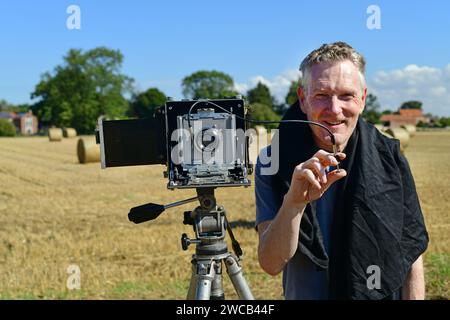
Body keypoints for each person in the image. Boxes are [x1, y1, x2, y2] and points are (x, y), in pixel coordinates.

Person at [255, 42, 429, 300]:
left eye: (346, 95)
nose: (334, 109)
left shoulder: (390, 158)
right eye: (321, 95)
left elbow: (411, 253)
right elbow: (271, 263)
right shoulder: (273, 161)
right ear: (303, 100)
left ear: (363, 98)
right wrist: (293, 203)